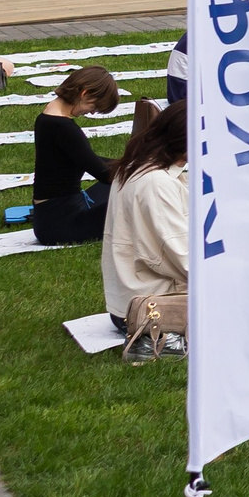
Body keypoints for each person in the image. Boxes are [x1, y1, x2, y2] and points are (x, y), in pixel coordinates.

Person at [101, 99, 188, 353]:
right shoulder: (156, 183)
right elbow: (183, 257)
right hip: (152, 308)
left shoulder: (136, 164)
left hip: (129, 302)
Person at [29, 66, 123, 246]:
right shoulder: (64, 128)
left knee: (118, 191)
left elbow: (88, 159)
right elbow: (104, 174)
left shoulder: (47, 118)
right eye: (94, 106)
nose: (92, 112)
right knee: (136, 203)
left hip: (50, 217)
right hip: (61, 224)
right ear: (84, 93)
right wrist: (144, 171)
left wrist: (129, 163)